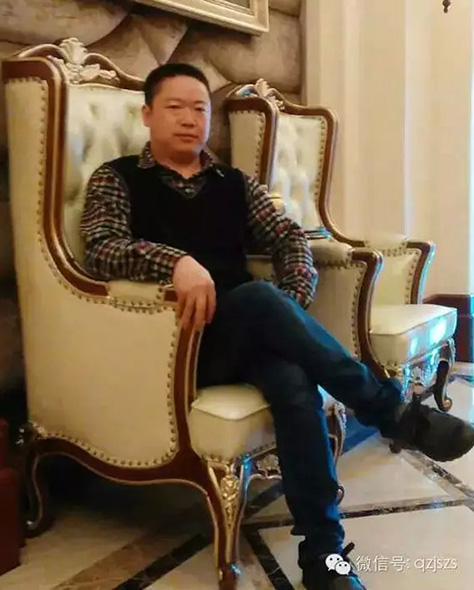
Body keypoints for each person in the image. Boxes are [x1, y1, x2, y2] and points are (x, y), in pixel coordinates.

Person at [80, 63, 474, 590]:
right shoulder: (118, 177)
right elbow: (101, 247)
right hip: (177, 343)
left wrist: (289, 303)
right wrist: (176, 262)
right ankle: (389, 410)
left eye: (200, 108)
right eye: (175, 107)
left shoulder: (234, 184)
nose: (190, 119)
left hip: (245, 328)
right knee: (262, 302)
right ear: (148, 114)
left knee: (292, 379)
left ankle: (324, 557)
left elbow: (289, 239)